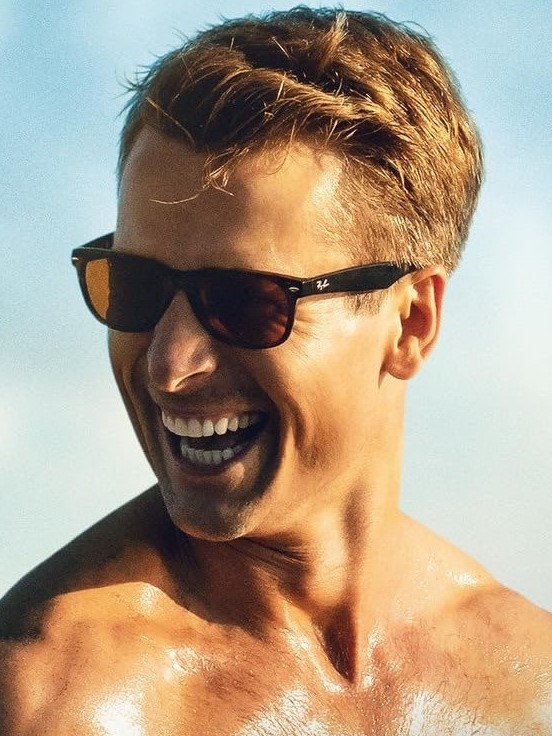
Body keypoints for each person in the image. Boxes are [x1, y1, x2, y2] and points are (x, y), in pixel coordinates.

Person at [1, 7, 551, 734]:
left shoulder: (529, 679)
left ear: (411, 323)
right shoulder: (57, 702)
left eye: (247, 301)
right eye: (132, 286)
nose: (168, 366)